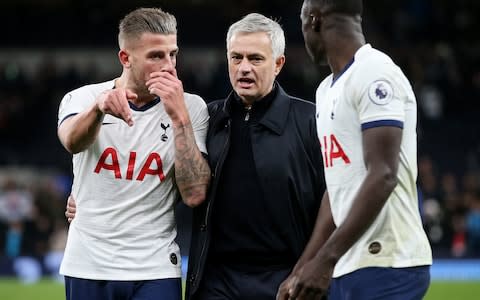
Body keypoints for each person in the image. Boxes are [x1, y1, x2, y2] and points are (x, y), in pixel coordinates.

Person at [277, 0, 432, 299]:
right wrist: (304, 266)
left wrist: (325, 260)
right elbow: (337, 192)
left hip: (389, 262)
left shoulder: (374, 72)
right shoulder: (326, 91)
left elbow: (384, 174)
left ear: (314, 20)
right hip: (349, 263)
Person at [57, 7, 210, 300]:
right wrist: (98, 110)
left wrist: (179, 119)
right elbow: (71, 142)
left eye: (173, 54)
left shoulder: (192, 108)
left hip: (155, 267)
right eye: (156, 56)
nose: (169, 66)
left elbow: (194, 194)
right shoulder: (85, 98)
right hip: (89, 263)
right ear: (125, 58)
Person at [185, 13, 325, 300]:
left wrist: (311, 267)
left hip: (286, 279)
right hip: (216, 281)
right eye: (236, 58)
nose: (244, 68)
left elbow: (335, 199)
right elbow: (167, 178)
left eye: (255, 59)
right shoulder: (206, 119)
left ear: (278, 64)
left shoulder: (312, 120)